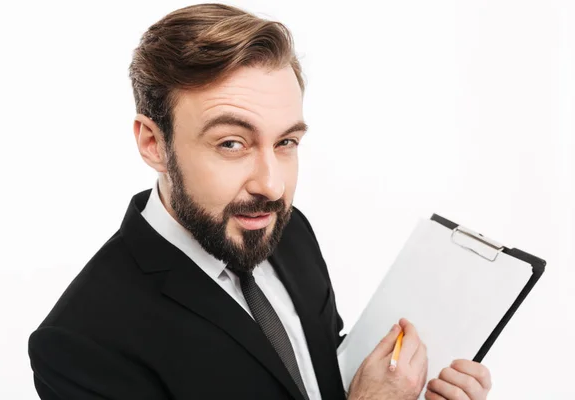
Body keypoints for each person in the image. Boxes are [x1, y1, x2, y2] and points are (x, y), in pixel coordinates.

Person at [28, 4, 492, 400]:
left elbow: (313, 372)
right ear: (154, 143)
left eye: (286, 141)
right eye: (232, 143)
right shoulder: (81, 344)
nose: (272, 186)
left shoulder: (287, 230)